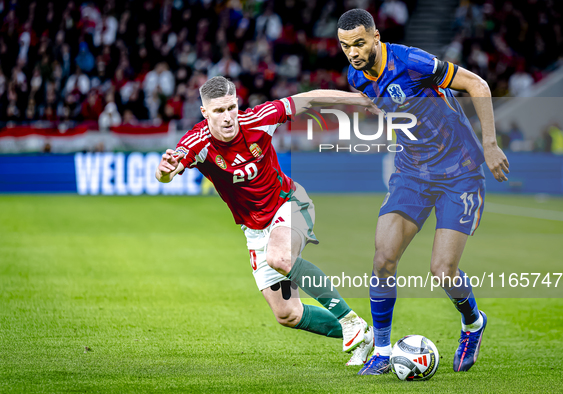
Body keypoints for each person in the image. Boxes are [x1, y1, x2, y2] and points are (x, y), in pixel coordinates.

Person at [155, 76, 378, 365]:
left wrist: (360, 100)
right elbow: (169, 172)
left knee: (280, 257)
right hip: (254, 229)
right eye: (219, 111)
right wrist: (164, 171)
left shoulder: (259, 119)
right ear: (204, 113)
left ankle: (350, 322)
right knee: (288, 314)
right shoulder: (197, 142)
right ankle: (368, 333)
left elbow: (309, 98)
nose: (227, 117)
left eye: (231, 107)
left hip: (289, 203)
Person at [335, 9, 510, 374]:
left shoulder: (412, 61)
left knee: (443, 271)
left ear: (376, 37)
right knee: (383, 258)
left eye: (359, 43)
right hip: (412, 172)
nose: (352, 52)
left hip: (459, 173)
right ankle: (382, 352)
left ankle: (473, 323)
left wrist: (490, 144)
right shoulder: (356, 75)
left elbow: (477, 85)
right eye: (344, 45)